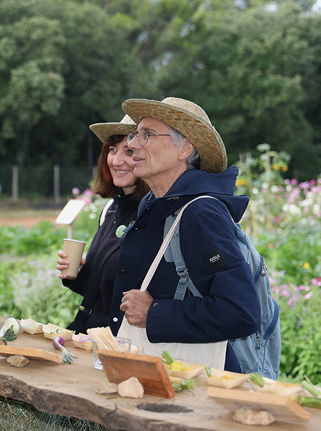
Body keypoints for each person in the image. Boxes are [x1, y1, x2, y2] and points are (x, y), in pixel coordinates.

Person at [109, 97, 260, 372]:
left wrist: (154, 313)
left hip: (193, 381)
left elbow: (241, 312)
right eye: (135, 134)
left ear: (185, 148)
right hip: (163, 371)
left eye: (147, 134)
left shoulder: (200, 214)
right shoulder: (156, 203)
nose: (131, 144)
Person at [56, 116, 148, 333]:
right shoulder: (110, 209)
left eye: (129, 151)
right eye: (112, 149)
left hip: (124, 344)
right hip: (94, 337)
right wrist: (79, 272)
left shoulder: (152, 214)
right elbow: (105, 290)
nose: (116, 161)